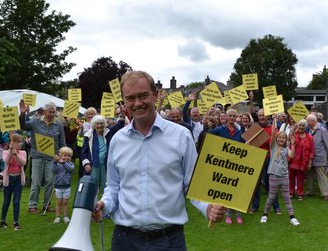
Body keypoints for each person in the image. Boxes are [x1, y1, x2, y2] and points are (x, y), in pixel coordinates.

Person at [92, 71, 225, 250]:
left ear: (155, 95)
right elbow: (114, 186)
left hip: (169, 241)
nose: (137, 103)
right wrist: (104, 205)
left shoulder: (181, 136)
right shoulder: (118, 140)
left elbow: (192, 185)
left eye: (143, 96)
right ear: (124, 102)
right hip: (124, 240)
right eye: (130, 98)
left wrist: (207, 207)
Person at [19, 101, 67, 214]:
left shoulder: (58, 125)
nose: (52, 114)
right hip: (37, 157)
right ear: (44, 112)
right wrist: (22, 114)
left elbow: (62, 143)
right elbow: (23, 126)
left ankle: (47, 205)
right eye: (50, 112)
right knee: (36, 182)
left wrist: (62, 157)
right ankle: (32, 206)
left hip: (52, 158)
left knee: (50, 181)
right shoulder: (35, 121)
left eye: (54, 112)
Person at [260, 120, 300, 226]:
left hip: (284, 176)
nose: (281, 139)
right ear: (277, 139)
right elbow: (273, 134)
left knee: (286, 197)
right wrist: (274, 120)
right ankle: (265, 214)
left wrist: (293, 144)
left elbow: (291, 155)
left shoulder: (286, 148)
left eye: (283, 138)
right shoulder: (273, 147)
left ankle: (292, 217)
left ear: (285, 140)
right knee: (271, 197)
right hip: (273, 176)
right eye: (279, 137)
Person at [210, 108, 244, 224]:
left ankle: (238, 214)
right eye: (230, 116)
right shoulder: (219, 130)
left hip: (235, 165)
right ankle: (227, 214)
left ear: (236, 118)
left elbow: (243, 146)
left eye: (234, 116)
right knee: (225, 190)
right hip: (223, 165)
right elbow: (208, 137)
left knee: (234, 189)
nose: (232, 118)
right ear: (227, 117)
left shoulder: (239, 132)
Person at [81, 114, 125, 192]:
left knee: (107, 186)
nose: (99, 126)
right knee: (92, 187)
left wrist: (122, 116)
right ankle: (93, 203)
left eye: (101, 123)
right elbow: (83, 152)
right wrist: (86, 163)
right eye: (97, 124)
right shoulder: (88, 135)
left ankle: (106, 202)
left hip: (106, 164)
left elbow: (118, 126)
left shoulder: (108, 132)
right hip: (94, 164)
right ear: (94, 125)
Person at [0, 134, 27, 231]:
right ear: (13, 143)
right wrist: (11, 152)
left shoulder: (23, 152)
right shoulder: (5, 152)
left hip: (18, 179)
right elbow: (6, 161)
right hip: (8, 179)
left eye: (21, 142)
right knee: (6, 201)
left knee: (16, 201)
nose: (21, 144)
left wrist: (16, 155)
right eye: (19, 142)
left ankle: (16, 222)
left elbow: (23, 163)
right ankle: (3, 220)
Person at [305, 114, 328, 200]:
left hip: (320, 156)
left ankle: (325, 194)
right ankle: (310, 191)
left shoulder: (322, 130)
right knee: (309, 175)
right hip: (310, 157)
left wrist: (327, 156)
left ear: (313, 121)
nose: (307, 124)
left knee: (321, 175)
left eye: (308, 121)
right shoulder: (309, 130)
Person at [289, 119, 313, 200]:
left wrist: (310, 162)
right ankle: (291, 192)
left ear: (305, 127)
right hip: (293, 160)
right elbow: (289, 139)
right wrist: (293, 129)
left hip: (303, 161)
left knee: (300, 178)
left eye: (303, 125)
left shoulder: (310, 137)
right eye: (299, 125)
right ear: (297, 126)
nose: (301, 127)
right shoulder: (294, 135)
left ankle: (300, 193)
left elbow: (312, 151)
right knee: (291, 177)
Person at [52, 147, 74, 225]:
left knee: (65, 202)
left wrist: (63, 163)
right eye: (65, 155)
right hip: (58, 186)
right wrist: (55, 162)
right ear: (60, 155)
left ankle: (65, 216)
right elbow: (53, 170)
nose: (66, 157)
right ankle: (57, 217)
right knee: (58, 202)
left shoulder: (70, 164)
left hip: (67, 186)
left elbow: (70, 169)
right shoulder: (57, 164)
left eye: (68, 156)